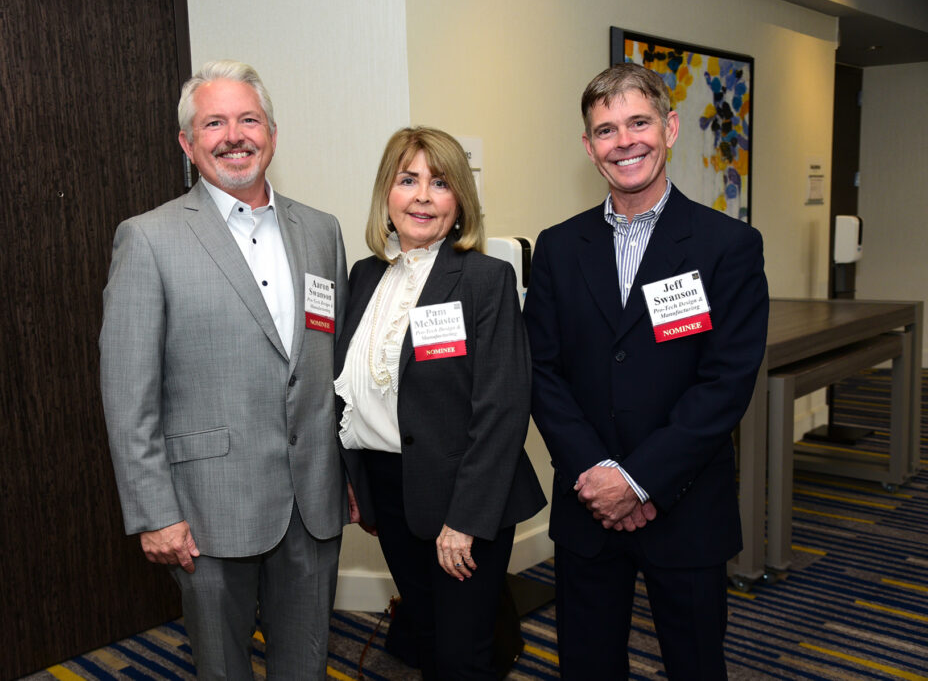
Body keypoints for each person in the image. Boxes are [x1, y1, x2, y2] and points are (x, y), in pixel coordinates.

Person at [99, 60, 349, 680]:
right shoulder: (148, 238)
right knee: (221, 669)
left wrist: (349, 473)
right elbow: (128, 395)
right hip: (207, 509)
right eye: (214, 123)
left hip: (313, 502)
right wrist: (154, 512)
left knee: (307, 664)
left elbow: (333, 369)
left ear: (272, 135)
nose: (234, 136)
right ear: (188, 144)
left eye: (248, 120)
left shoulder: (321, 231)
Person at [523, 63, 769, 680]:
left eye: (639, 122)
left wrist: (638, 481)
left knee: (694, 666)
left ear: (670, 128)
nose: (624, 141)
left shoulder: (727, 245)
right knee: (587, 665)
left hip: (686, 506)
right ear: (589, 147)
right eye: (606, 130)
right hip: (587, 505)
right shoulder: (557, 246)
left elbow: (725, 383)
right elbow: (542, 371)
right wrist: (600, 476)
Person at [335, 126, 546, 679]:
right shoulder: (364, 276)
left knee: (461, 654)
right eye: (408, 180)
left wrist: (464, 521)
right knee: (426, 636)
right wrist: (356, 481)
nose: (423, 197)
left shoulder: (485, 279)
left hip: (464, 494)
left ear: (460, 202)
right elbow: (350, 390)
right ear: (387, 193)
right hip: (391, 490)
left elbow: (502, 407)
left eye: (441, 183)